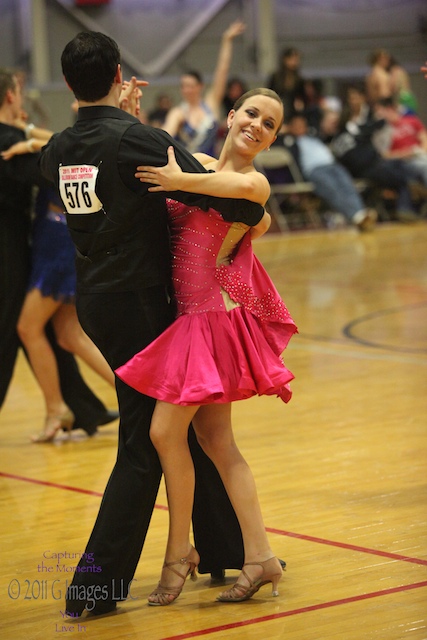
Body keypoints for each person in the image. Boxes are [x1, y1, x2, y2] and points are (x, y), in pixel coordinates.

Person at [38, 31, 271, 616]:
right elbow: (236, 201)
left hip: (97, 300)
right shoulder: (138, 139)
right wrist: (252, 223)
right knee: (148, 440)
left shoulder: (58, 148)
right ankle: (99, 584)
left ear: (67, 84)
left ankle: (229, 547)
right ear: (120, 74)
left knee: (194, 429)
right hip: (144, 306)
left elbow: (94, 170)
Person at [116, 88, 296, 605]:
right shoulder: (196, 165)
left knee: (163, 433)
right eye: (253, 114)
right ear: (232, 115)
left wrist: (179, 181)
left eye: (271, 123)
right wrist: (127, 118)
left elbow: (231, 189)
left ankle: (179, 555)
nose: (258, 126)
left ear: (274, 138)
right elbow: (176, 165)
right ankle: (259, 556)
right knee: (219, 445)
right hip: (190, 324)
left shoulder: (252, 183)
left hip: (203, 325)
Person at [0, 67, 118, 436]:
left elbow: (63, 152)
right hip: (52, 242)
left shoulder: (44, 142)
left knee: (26, 327)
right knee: (67, 335)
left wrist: (30, 139)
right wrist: (30, 137)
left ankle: (58, 410)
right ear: (10, 96)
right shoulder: (25, 139)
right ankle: (131, 398)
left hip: (54, 243)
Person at [163, 20, 245, 155]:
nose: (187, 90)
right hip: (187, 168)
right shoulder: (178, 112)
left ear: (200, 86)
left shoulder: (210, 103)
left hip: (211, 167)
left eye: (190, 86)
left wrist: (226, 40)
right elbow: (165, 135)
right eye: (183, 86)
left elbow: (222, 71)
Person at [282, 114, 377, 231]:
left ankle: (361, 213)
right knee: (332, 190)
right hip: (314, 171)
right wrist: (285, 131)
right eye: (297, 125)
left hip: (332, 165)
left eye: (303, 124)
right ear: (291, 126)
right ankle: (356, 217)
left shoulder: (314, 136)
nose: (301, 127)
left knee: (347, 186)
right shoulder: (289, 141)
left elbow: (327, 131)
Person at [374, 97, 427, 188]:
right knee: (425, 167)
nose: (377, 115)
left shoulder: (412, 120)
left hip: (420, 154)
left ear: (389, 109)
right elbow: (383, 155)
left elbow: (424, 139)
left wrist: (419, 151)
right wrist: (403, 154)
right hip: (403, 163)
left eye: (379, 111)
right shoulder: (382, 132)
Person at [267, 47, 308, 120]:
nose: (295, 62)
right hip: (277, 107)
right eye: (292, 59)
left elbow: (302, 97)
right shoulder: (275, 77)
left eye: (296, 60)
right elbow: (269, 94)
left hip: (293, 110)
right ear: (285, 59)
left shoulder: (299, 79)